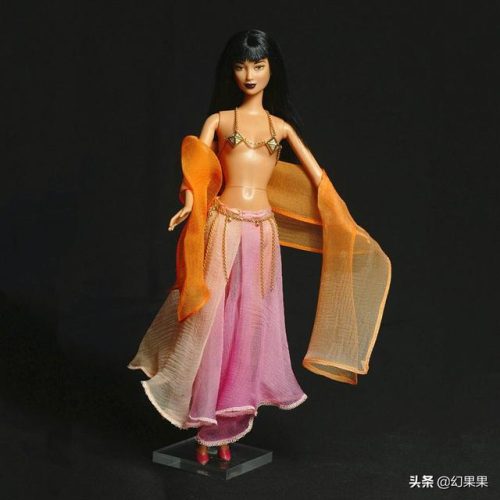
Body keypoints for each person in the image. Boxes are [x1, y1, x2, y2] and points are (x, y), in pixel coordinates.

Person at [127, 29, 392, 466]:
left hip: (262, 235)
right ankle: (202, 423)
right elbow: (198, 172)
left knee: (252, 322)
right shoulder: (219, 121)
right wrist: (189, 202)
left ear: (271, 69)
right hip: (222, 227)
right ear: (230, 71)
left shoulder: (280, 128)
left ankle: (225, 427)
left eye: (258, 65)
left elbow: (318, 179)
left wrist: (341, 221)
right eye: (241, 65)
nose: (249, 74)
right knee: (210, 320)